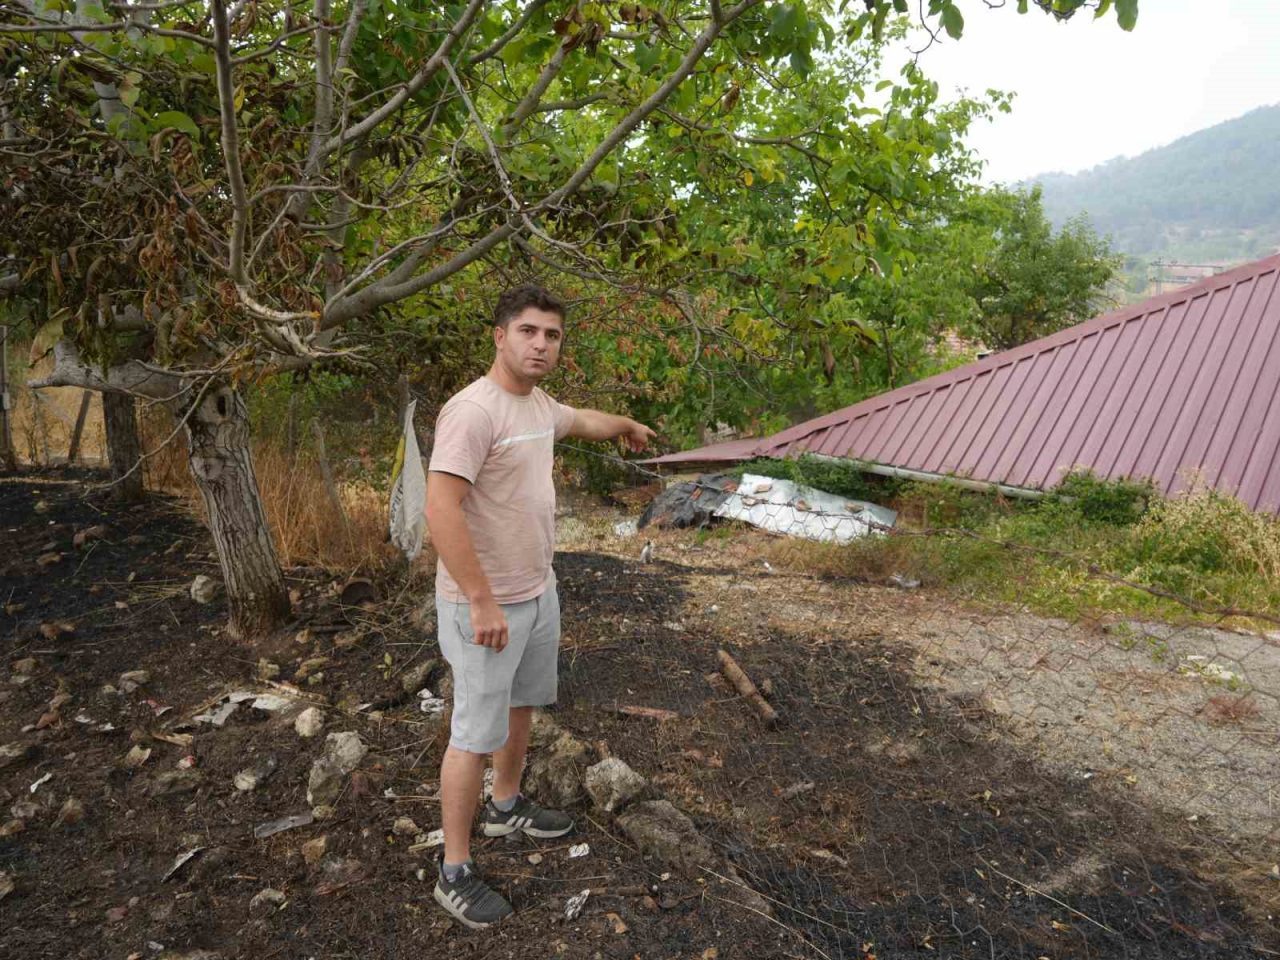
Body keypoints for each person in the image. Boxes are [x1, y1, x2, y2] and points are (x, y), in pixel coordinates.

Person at [425, 284, 655, 929]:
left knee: (523, 705)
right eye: (527, 331)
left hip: (536, 590)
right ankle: (455, 870)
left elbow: (580, 419)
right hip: (486, 605)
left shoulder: (537, 406)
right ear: (499, 335)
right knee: (472, 734)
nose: (540, 345)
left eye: (552, 335)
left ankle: (506, 806)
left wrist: (626, 426)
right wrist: (480, 600)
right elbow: (440, 509)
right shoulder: (473, 412)